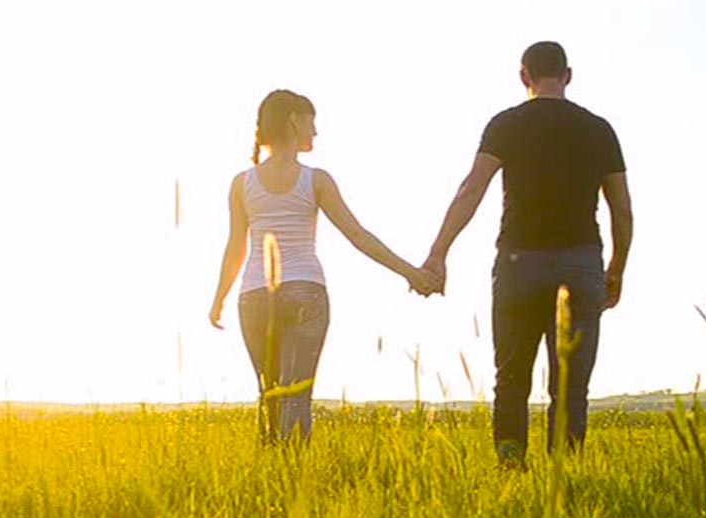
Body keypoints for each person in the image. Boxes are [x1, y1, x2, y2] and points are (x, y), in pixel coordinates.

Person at [422, 41, 633, 466]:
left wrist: (438, 253)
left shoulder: (506, 125)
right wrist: (617, 268)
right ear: (568, 75)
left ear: (524, 77)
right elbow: (622, 210)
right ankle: (563, 476)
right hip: (580, 264)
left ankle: (511, 469)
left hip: (519, 266)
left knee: (512, 379)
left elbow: (471, 191)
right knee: (571, 386)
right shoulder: (599, 129)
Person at [210, 89, 440, 442]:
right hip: (306, 293)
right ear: (293, 121)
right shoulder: (316, 180)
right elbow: (358, 236)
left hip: (254, 297)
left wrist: (219, 299)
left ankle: (272, 482)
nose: (315, 132)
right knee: (295, 396)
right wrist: (412, 273)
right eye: (311, 122)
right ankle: (293, 476)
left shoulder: (242, 184)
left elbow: (235, 247)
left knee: (269, 397)